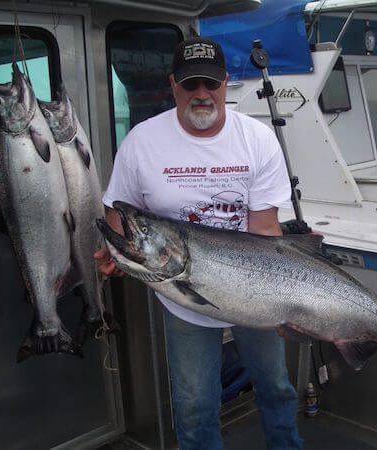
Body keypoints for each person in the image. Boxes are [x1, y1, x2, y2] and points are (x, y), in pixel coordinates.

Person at [95, 37, 303, 450]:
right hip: (183, 299)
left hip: (256, 293)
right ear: (173, 85)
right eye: (191, 85)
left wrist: (284, 301)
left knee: (276, 388)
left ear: (226, 83)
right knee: (193, 406)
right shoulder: (142, 141)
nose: (202, 94)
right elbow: (118, 207)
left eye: (211, 83)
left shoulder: (257, 140)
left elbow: (265, 230)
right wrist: (119, 247)